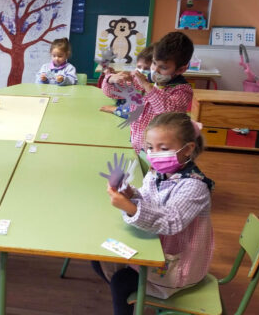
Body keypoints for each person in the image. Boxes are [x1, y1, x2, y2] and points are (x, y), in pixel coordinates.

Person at [95, 112, 214, 315]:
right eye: (150, 147)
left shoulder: (195, 186)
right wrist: (130, 193)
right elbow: (149, 200)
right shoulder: (157, 173)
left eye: (164, 148)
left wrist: (129, 207)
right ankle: (135, 294)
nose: (154, 153)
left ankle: (139, 297)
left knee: (120, 282)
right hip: (156, 246)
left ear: (188, 149)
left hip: (178, 265)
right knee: (98, 258)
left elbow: (171, 221)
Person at [101, 32, 194, 154]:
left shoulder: (182, 90)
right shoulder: (142, 80)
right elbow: (110, 92)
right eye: (154, 63)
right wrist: (111, 79)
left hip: (160, 154)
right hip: (137, 147)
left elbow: (167, 110)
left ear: (181, 69)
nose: (155, 70)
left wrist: (147, 86)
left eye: (163, 68)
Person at [100, 44, 155, 118]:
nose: (141, 71)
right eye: (139, 67)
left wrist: (116, 110)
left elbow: (142, 113)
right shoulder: (133, 78)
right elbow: (109, 93)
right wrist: (110, 79)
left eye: (147, 68)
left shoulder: (157, 87)